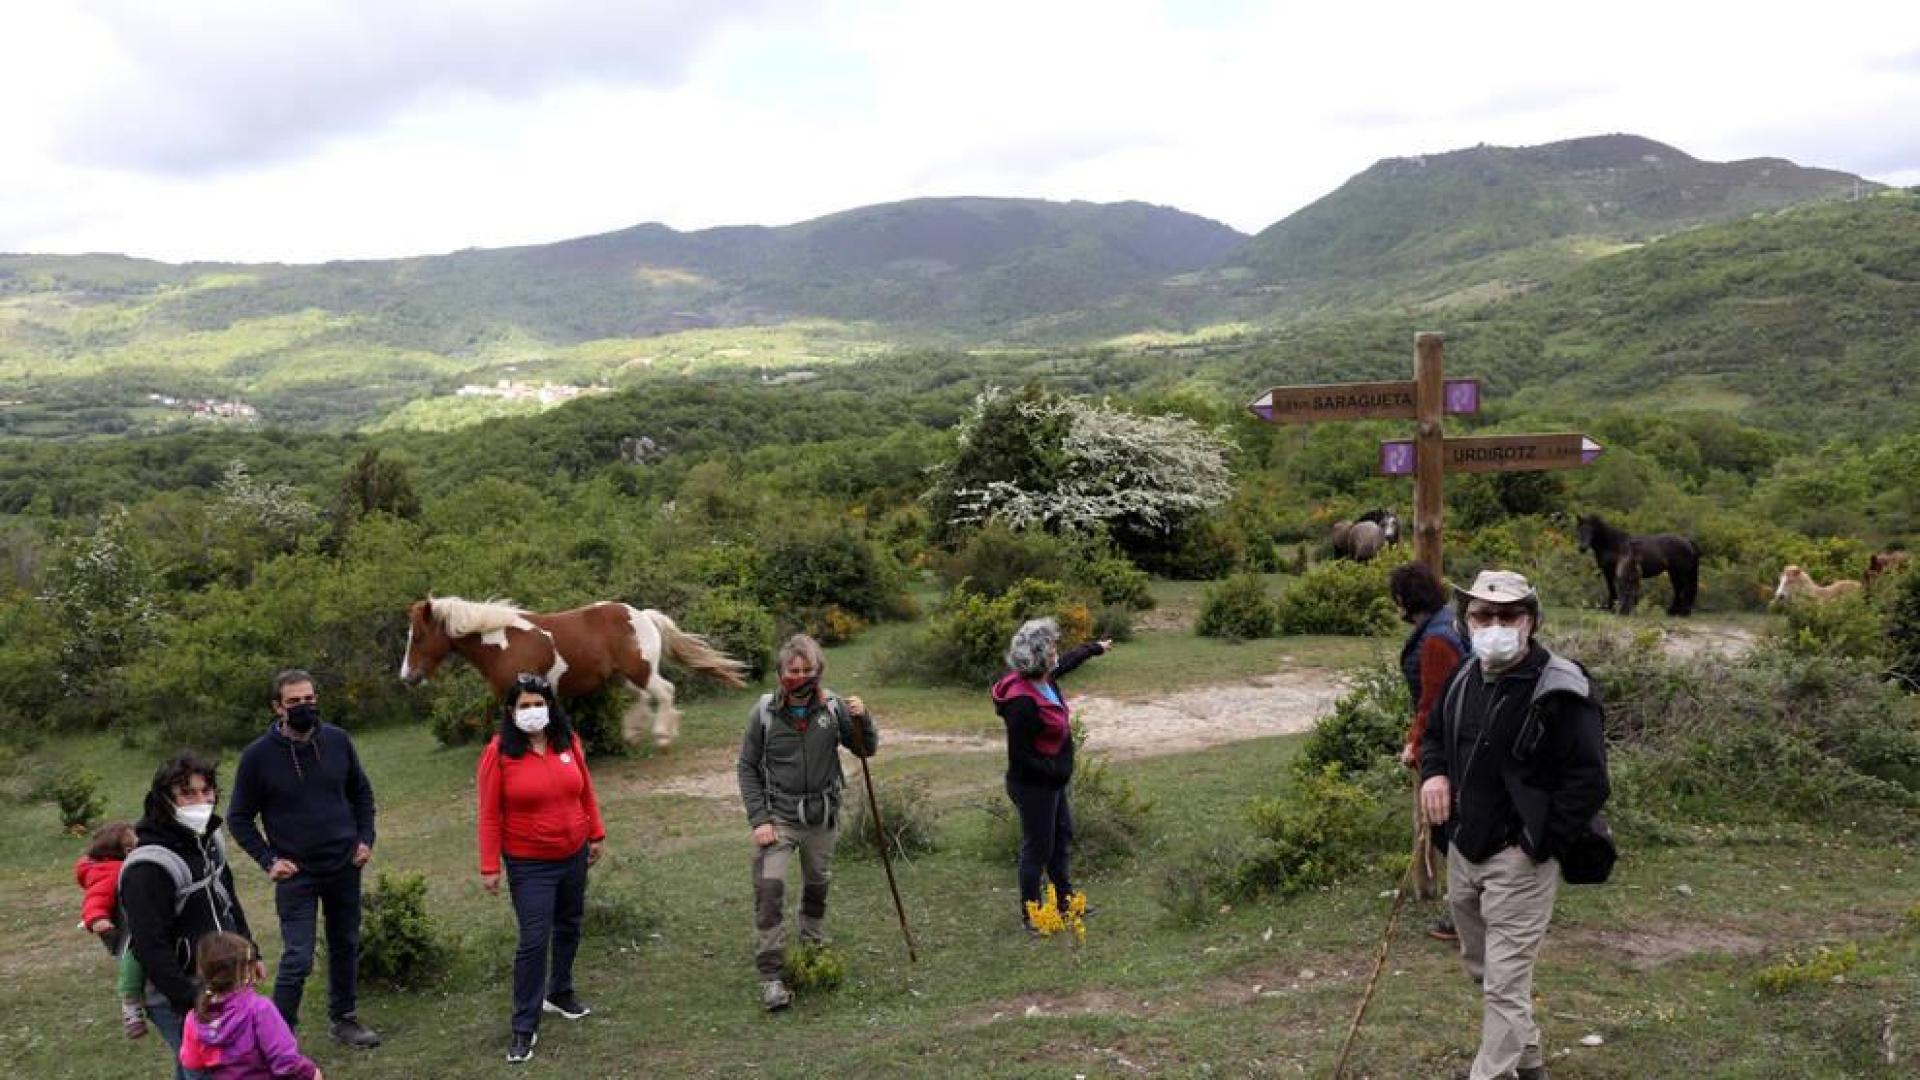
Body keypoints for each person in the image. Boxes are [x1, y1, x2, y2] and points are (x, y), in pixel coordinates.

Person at [1418, 570, 1610, 1080]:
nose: (1495, 626)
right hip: (1463, 849)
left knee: (1503, 983)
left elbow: (1589, 780)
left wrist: (1535, 843)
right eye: (1483, 615)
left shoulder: (1561, 687)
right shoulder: (1464, 675)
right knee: (1485, 971)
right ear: (1467, 621)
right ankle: (1530, 1062)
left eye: (1509, 615)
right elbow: (1434, 735)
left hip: (1518, 860)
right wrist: (1434, 774)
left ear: (1531, 621)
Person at [226, 670, 380, 1049]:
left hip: (344, 864)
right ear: (277, 707)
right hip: (296, 873)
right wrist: (268, 860)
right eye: (294, 702)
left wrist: (365, 838)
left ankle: (343, 1019)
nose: (303, 707)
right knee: (298, 957)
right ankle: (277, 1037)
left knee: (345, 943)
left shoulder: (338, 740)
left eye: (309, 699)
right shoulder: (257, 757)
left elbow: (361, 793)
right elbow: (238, 817)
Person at [736, 634, 878, 1012]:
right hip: (778, 818)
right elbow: (747, 766)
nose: (799, 676)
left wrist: (863, 719)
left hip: (821, 817)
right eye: (792, 670)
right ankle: (772, 976)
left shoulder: (833, 707)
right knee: (769, 890)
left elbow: (865, 748)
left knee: (817, 885)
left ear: (818, 670)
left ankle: (813, 947)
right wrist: (759, 819)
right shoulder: (764, 712)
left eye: (806, 670)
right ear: (780, 672)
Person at [476, 672, 606, 1064]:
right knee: (534, 940)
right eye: (525, 705)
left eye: (539, 704)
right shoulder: (500, 753)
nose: (533, 711)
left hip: (574, 854)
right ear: (510, 711)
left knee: (570, 924)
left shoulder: (567, 741)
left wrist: (595, 833)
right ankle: (524, 1024)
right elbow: (489, 814)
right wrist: (489, 865)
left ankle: (560, 992)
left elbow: (585, 791)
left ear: (550, 707)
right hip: (529, 863)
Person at [121, 752, 257, 1080]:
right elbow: (150, 946)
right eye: (187, 793)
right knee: (211, 1069)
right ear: (165, 801)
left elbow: (228, 899)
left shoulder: (208, 840)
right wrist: (190, 998)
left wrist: (251, 952)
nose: (200, 801)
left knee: (193, 1067)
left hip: (222, 978)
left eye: (206, 791)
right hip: (176, 992)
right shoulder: (148, 867)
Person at [990, 619, 1112, 934]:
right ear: (1039, 655)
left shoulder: (1043, 678)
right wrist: (1055, 771)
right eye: (1052, 647)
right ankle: (1031, 916)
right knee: (1038, 849)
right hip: (1033, 785)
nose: (1057, 652)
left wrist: (1094, 649)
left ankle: (1064, 902)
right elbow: (1021, 757)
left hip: (1051, 781)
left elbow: (1067, 662)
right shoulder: (1021, 701)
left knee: (1061, 838)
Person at [1389, 561, 1469, 943]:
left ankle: (1467, 912)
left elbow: (1434, 701)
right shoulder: (1447, 623)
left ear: (1405, 599)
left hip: (1450, 744)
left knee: (1447, 827)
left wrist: (1416, 743)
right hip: (1459, 738)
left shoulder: (1435, 639)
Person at [180, 931, 324, 1080]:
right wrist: (311, 1073)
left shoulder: (195, 1018)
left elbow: (192, 1062)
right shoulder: (259, 1009)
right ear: (245, 971)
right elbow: (285, 1060)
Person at [75, 820, 149, 1038]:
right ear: (119, 852)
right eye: (131, 847)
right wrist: (97, 919)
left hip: (135, 921)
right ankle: (130, 1004)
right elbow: (95, 898)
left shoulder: (118, 864)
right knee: (133, 958)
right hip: (123, 932)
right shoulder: (110, 870)